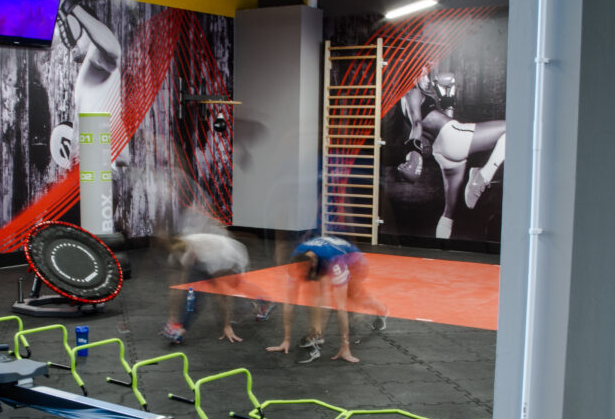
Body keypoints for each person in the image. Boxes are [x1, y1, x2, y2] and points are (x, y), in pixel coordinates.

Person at [398, 67, 506, 239]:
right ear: (414, 76)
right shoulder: (411, 93)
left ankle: (440, 248)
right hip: (452, 135)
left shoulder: (412, 98)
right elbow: (417, 124)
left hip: (442, 150)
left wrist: (447, 98)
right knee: (510, 128)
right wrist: (413, 155)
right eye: (424, 75)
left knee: (449, 214)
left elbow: (444, 118)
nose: (427, 79)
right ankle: (483, 176)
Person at [266, 236, 388, 364]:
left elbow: (340, 308)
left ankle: (382, 309)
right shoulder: (296, 260)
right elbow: (290, 302)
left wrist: (345, 347)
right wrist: (286, 340)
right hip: (325, 257)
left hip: (355, 263)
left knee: (353, 298)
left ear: (313, 264)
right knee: (313, 294)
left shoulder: (334, 261)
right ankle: (317, 334)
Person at [52, 0, 130, 170]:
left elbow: (113, 51)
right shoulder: (88, 72)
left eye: (74, 41)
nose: (71, 50)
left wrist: (73, 7)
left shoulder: (99, 56)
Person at [161, 232, 274, 344]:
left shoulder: (214, 259)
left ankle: (265, 301)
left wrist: (227, 326)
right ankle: (181, 328)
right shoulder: (178, 252)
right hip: (203, 258)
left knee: (236, 287)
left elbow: (224, 295)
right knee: (192, 292)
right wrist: (173, 318)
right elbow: (178, 286)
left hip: (231, 258)